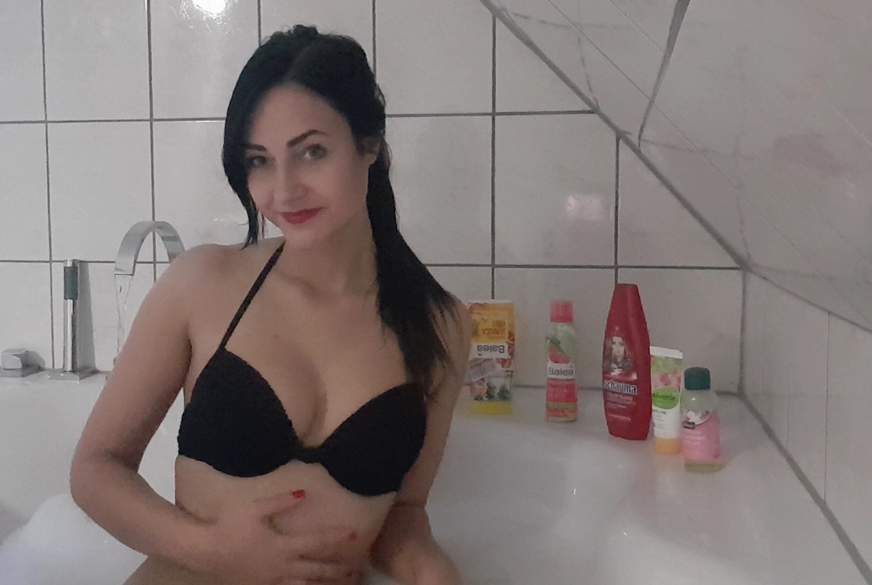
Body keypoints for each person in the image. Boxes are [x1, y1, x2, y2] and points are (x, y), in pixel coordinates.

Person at [69, 24, 471, 585]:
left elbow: (403, 513)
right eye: (259, 160)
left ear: (369, 145)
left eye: (311, 152)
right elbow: (95, 470)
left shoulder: (439, 324)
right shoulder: (202, 286)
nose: (283, 190)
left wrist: (433, 573)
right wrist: (211, 550)